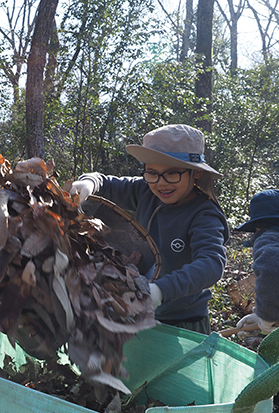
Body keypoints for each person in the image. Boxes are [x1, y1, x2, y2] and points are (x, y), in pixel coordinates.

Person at [70, 124, 229, 335]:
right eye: (152, 173)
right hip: (136, 313)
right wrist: (88, 184)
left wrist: (160, 291)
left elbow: (211, 263)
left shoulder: (204, 214)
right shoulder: (145, 190)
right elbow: (104, 181)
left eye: (172, 173)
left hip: (182, 321)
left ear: (196, 173)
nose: (161, 183)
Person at [234, 189, 279, 413]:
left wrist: (268, 317)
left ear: (258, 225)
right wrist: (259, 315)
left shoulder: (271, 238)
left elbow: (275, 272)